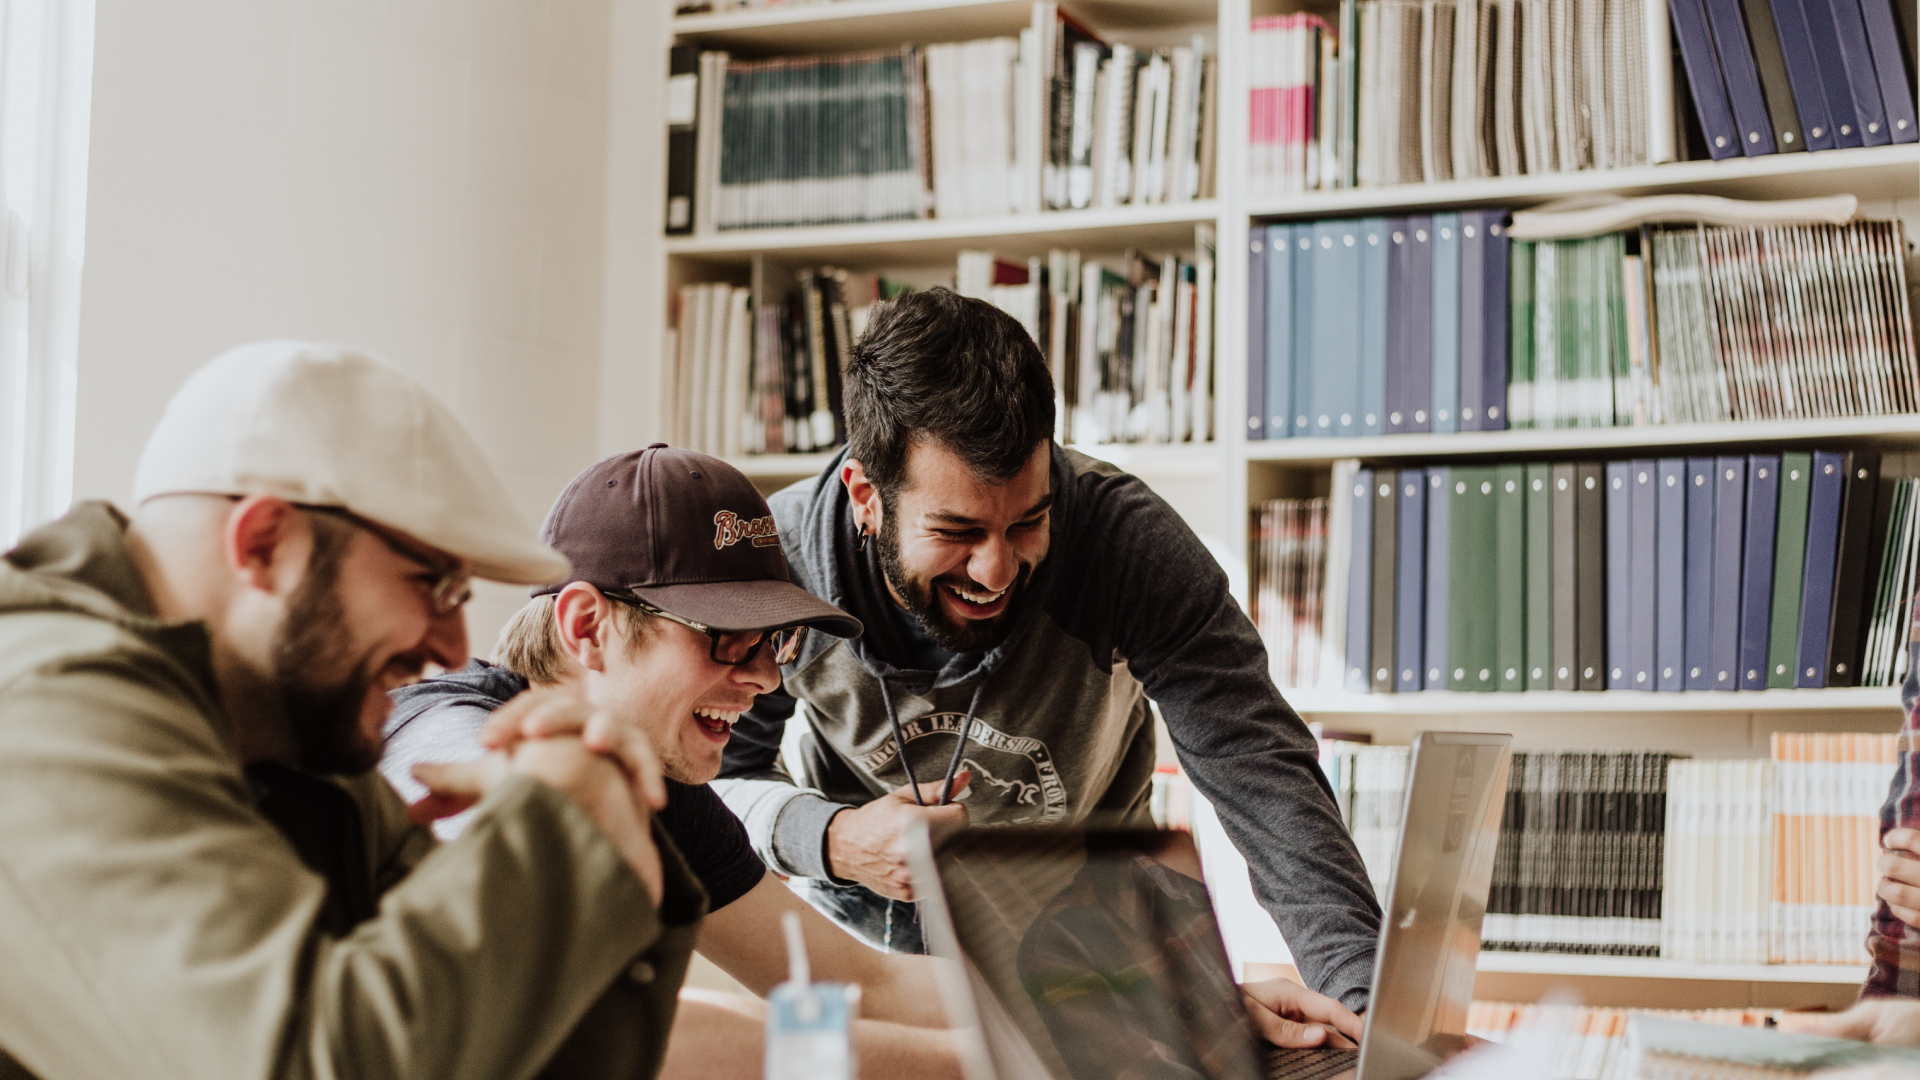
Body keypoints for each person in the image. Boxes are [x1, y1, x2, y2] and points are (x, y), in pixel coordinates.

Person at [0, 342, 697, 1080]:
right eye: (432, 584)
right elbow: (314, 1062)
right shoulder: (48, 709)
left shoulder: (291, 732)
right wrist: (561, 828)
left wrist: (616, 845)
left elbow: (499, 1053)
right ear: (265, 543)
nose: (453, 649)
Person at [712, 287, 1382, 1026]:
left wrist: (1366, 1012)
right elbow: (711, 786)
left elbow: (1262, 772)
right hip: (864, 960)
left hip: (1092, 947)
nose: (997, 570)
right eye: (958, 531)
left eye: (1028, 521)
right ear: (867, 495)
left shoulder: (1126, 543)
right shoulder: (780, 564)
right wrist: (831, 839)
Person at [382, 445, 963, 1079]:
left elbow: (863, 982)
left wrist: (1055, 1016)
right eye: (729, 638)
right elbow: (600, 1032)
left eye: (775, 642)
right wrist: (961, 1064)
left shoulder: (653, 780)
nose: (768, 678)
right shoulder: (446, 738)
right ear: (586, 627)